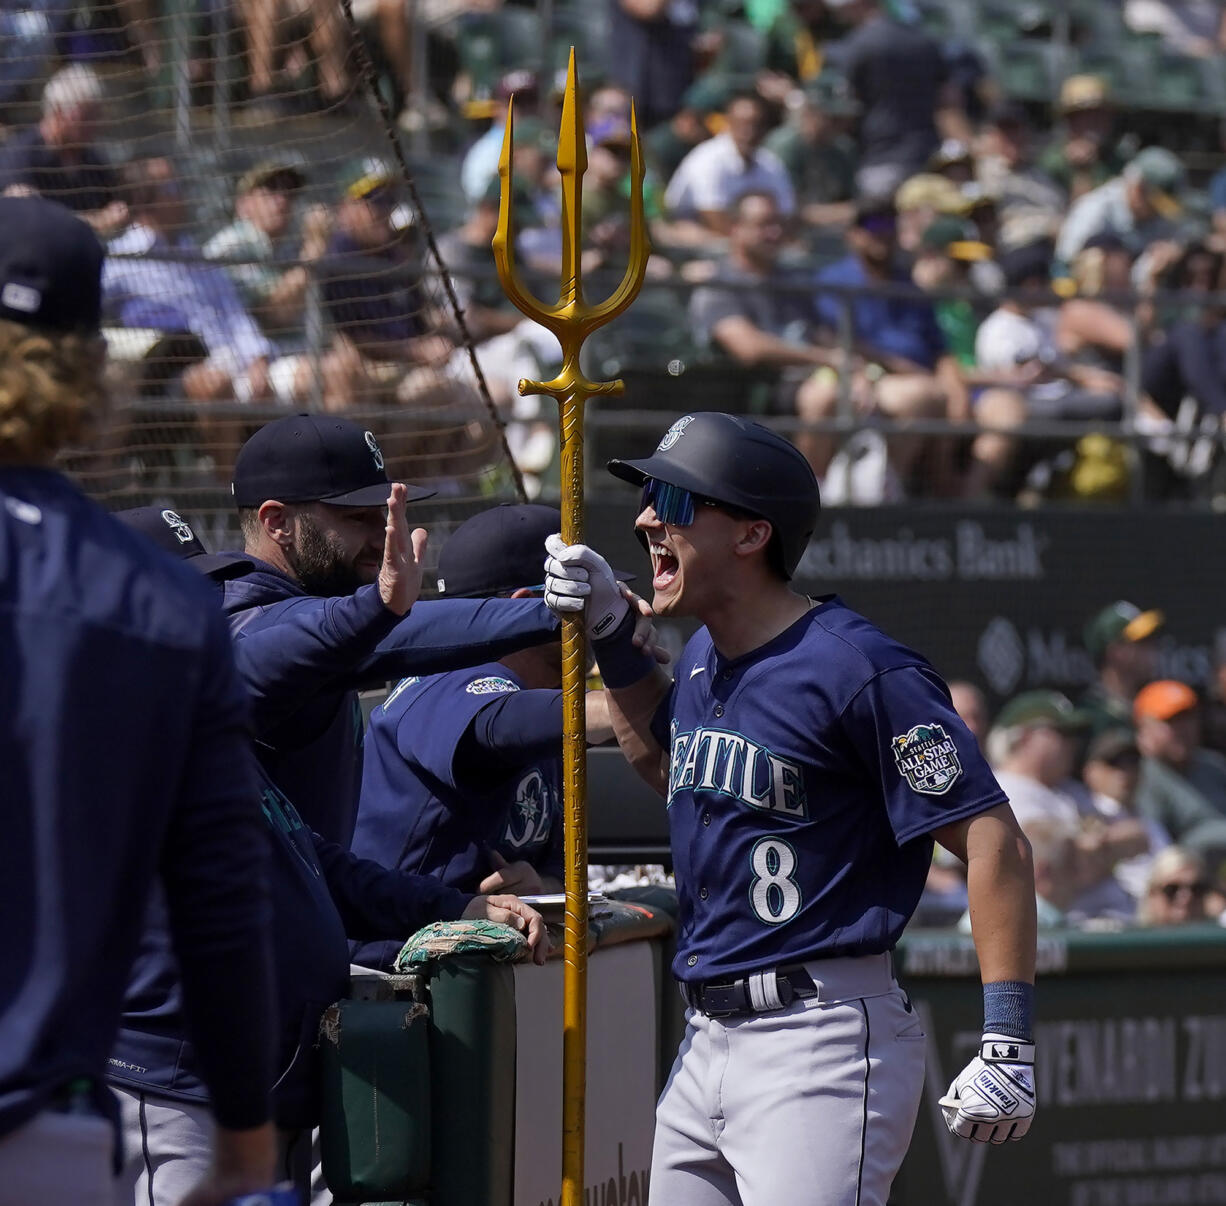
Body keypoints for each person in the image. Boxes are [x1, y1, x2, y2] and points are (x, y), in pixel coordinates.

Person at [544, 411, 1039, 1204]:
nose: (644, 518)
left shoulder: (859, 669)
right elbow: (666, 767)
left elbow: (993, 839)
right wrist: (609, 632)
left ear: (750, 535)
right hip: (705, 1034)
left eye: (673, 501)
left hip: (821, 1037)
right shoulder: (706, 653)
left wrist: (1007, 1032)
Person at [108, 502, 547, 1204]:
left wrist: (451, 903)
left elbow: (316, 862)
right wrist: (382, 608)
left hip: (252, 1091)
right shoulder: (108, 737)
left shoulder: (189, 724)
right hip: (168, 1091)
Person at [0, 195, 278, 1204]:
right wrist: (245, 1132)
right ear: (86, 368)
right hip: (47, 1134)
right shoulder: (158, 594)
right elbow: (217, 895)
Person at [221, 412, 566, 847]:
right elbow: (388, 632)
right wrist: (556, 613)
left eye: (382, 515)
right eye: (357, 517)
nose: (381, 537)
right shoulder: (250, 618)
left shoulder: (318, 611)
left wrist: (452, 902)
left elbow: (329, 864)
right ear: (278, 523)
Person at [351, 503, 630, 968]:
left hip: (462, 972)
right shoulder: (443, 676)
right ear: (526, 608)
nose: (599, 614)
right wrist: (638, 705)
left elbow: (543, 861)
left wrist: (537, 884)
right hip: (380, 977)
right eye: (584, 598)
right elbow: (494, 726)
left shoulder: (547, 699)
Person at [801, 200, 966, 492]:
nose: (881, 233)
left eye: (889, 225)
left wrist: (955, 388)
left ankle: (890, 490)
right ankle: (814, 490)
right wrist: (888, 367)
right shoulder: (834, 280)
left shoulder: (909, 286)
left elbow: (940, 350)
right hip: (859, 371)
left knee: (934, 396)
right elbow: (833, 338)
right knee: (821, 397)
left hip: (909, 380)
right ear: (853, 234)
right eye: (871, 226)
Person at [103, 156, 282, 404]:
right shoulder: (122, 257)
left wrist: (258, 359)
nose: (183, 195)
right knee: (215, 384)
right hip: (178, 374)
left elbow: (234, 314)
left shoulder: (198, 256)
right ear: (144, 199)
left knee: (318, 373)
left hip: (239, 362)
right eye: (172, 188)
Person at [986, 690, 1139, 923]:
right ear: (1025, 737)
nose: (1073, 744)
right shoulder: (998, 788)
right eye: (1063, 733)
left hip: (1118, 917)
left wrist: (1093, 844)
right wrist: (1096, 848)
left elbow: (1138, 837)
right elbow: (1042, 861)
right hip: (1060, 925)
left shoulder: (1071, 790)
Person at [826, 0, 967, 199]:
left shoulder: (856, 46)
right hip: (928, 156)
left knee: (879, 226)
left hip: (882, 161)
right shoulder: (923, 40)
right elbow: (949, 100)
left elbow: (845, 108)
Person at [0, 64, 127, 237]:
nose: (95, 125)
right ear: (58, 111)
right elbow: (27, 216)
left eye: (97, 116)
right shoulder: (19, 155)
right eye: (87, 116)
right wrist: (94, 222)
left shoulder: (92, 158)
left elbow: (113, 204)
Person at [662, 92, 796, 238]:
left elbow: (787, 213)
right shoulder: (707, 159)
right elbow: (713, 217)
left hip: (752, 240)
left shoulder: (770, 163)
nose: (749, 132)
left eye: (756, 125)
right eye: (742, 124)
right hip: (699, 236)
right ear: (728, 122)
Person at [1056, 147, 1185, 273]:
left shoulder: (1162, 217)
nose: (1157, 212)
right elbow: (1064, 264)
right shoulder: (1095, 209)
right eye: (1154, 203)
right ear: (1138, 189)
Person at [1082, 726, 1172, 903]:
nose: (1124, 772)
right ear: (1090, 771)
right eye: (1114, 763)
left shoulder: (1150, 822)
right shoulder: (1082, 813)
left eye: (1132, 763)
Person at [1134, 680, 1226, 843]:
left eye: (1189, 719)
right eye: (1171, 722)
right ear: (1145, 729)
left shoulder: (1213, 766)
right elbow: (1155, 843)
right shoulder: (1140, 776)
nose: (1183, 729)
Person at [1079, 599, 1164, 734]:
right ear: (1115, 652)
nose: (1151, 651)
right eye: (1141, 643)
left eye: (1151, 642)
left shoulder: (1155, 710)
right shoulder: (1089, 716)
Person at [1037, 75, 1125, 204]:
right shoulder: (1052, 163)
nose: (1096, 122)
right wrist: (1082, 173)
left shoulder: (1119, 161)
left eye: (1101, 114)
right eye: (1086, 116)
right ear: (1070, 120)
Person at [1137, 847, 1221, 925]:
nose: (1187, 898)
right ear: (1152, 894)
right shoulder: (1130, 937)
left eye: (1196, 889)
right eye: (1172, 889)